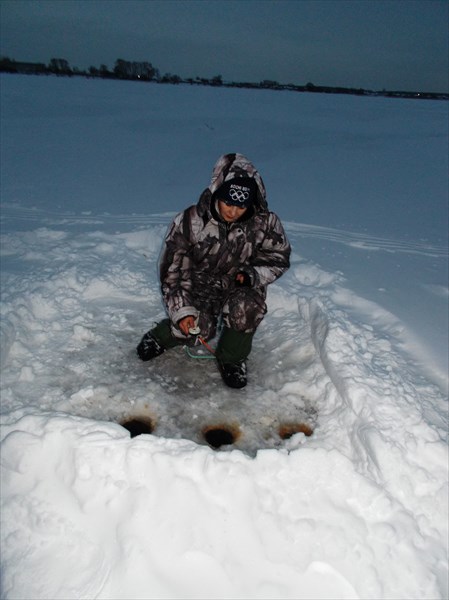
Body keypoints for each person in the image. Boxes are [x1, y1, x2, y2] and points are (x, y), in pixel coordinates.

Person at [137, 153, 291, 388]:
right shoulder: (190, 221)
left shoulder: (266, 223)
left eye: (241, 205)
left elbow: (278, 258)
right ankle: (160, 336)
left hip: (239, 286)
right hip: (197, 286)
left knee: (247, 308)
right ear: (217, 193)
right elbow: (173, 272)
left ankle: (232, 359)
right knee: (199, 328)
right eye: (228, 202)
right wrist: (183, 311)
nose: (233, 211)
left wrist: (253, 275)